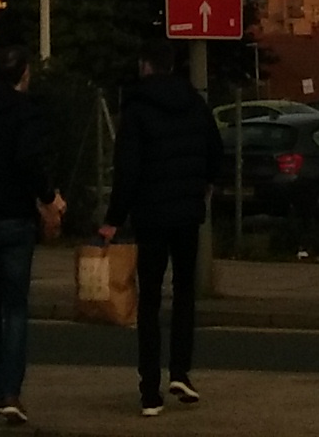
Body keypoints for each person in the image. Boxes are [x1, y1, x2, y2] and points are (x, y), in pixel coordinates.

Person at [102, 42, 224, 415]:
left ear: (145, 66)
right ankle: (181, 373)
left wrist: (112, 220)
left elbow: (127, 172)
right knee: (184, 292)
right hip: (187, 215)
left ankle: (149, 392)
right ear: (173, 66)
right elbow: (216, 155)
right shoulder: (196, 105)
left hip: (151, 216)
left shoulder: (136, 110)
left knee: (150, 299)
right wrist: (199, 190)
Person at [0, 45, 64, 426]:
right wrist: (49, 198)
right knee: (15, 307)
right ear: (21, 74)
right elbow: (28, 160)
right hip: (14, 219)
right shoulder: (25, 112)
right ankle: (10, 394)